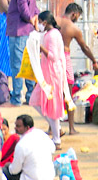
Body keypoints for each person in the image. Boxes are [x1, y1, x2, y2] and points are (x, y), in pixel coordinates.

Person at [29, 10, 70, 147]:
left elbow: (53, 56)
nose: (39, 25)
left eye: (40, 23)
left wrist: (40, 48)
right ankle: (56, 129)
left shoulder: (52, 36)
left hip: (52, 74)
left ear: (45, 23)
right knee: (35, 101)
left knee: (52, 106)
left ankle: (57, 138)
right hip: (48, 73)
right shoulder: (50, 34)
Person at [5, 0, 38, 105]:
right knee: (28, 63)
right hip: (27, 31)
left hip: (18, 32)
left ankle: (17, 97)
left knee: (17, 66)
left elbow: (25, 12)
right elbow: (35, 9)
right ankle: (30, 96)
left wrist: (29, 19)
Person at [2, 114, 56, 180]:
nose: (15, 128)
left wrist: (8, 165)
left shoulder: (21, 144)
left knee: (1, 171)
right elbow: (53, 149)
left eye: (18, 126)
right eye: (15, 125)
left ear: (27, 127)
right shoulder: (41, 134)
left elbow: (13, 171)